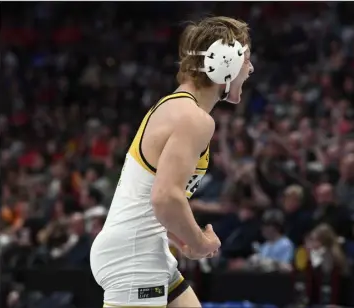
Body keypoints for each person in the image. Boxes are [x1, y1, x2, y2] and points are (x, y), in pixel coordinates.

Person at [90, 16, 254, 308]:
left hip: (142, 247)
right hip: (135, 255)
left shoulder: (173, 106)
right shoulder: (194, 118)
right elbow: (165, 197)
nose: (250, 68)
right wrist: (200, 243)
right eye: (246, 59)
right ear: (226, 62)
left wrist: (185, 239)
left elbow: (147, 195)